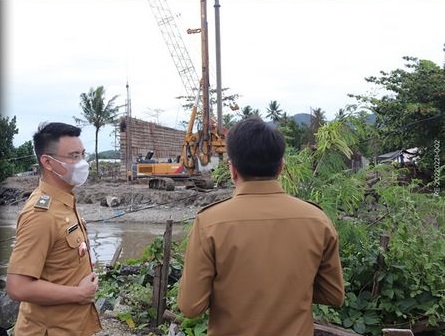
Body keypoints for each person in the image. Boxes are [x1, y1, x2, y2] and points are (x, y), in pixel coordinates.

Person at [178, 117, 344, 336]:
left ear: (233, 169)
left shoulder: (209, 223)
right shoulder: (317, 220)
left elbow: (191, 307)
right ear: (281, 167)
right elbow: (333, 295)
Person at [6, 122, 101, 336]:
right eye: (73, 156)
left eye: (83, 154)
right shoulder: (41, 215)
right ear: (48, 162)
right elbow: (17, 287)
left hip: (71, 327)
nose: (82, 163)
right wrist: (79, 293)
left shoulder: (64, 202)